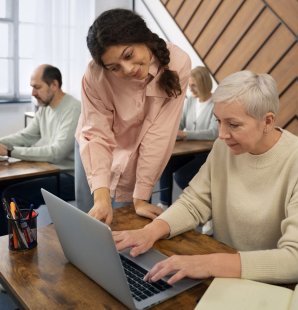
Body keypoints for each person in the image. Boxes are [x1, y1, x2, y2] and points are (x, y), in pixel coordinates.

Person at [112, 70, 298, 285]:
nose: (221, 134)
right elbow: (195, 202)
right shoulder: (224, 147)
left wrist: (208, 263)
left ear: (267, 121)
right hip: (227, 270)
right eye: (218, 121)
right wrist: (149, 232)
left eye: (233, 124)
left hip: (274, 285)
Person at [75, 9, 191, 224]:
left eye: (128, 55)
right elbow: (96, 134)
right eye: (114, 67)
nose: (127, 69)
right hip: (94, 149)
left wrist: (141, 196)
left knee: (126, 227)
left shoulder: (178, 64)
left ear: (144, 38)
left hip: (139, 155)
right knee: (90, 219)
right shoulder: (95, 76)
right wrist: (101, 198)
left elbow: (160, 133)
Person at [0, 64, 80, 235]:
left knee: (13, 195)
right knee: (2, 187)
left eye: (37, 87)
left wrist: (9, 152)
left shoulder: (74, 109)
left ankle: (22, 248)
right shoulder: (45, 108)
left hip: (71, 177)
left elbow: (57, 152)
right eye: (32, 87)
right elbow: (26, 136)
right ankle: (5, 245)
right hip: (51, 171)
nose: (33, 93)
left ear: (54, 85)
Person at [159, 66, 218, 207]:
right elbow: (180, 124)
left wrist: (185, 134)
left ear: (204, 84)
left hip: (207, 152)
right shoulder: (190, 101)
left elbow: (214, 133)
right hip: (189, 150)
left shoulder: (217, 103)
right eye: (189, 85)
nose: (190, 89)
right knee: (164, 164)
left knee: (181, 176)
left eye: (194, 86)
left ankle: (206, 206)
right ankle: (164, 204)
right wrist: (173, 130)